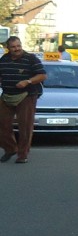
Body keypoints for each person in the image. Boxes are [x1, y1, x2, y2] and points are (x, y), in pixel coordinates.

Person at [0, 35, 47, 164]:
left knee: (25, 126)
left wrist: (28, 81)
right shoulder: (4, 59)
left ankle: (22, 154)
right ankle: (10, 149)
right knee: (2, 124)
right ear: (8, 48)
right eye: (13, 47)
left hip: (26, 95)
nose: (17, 49)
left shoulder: (31, 59)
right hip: (7, 95)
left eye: (18, 46)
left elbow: (42, 75)